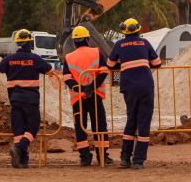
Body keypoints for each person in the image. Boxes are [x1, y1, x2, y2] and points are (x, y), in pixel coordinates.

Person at [0, 29, 57, 169]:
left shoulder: (9, 59)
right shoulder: (34, 58)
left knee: (18, 129)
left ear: (17, 43)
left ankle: (22, 160)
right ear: (29, 43)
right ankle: (19, 149)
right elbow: (49, 70)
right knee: (33, 127)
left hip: (15, 99)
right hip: (30, 99)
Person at [107, 18, 161, 170]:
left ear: (124, 30)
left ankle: (125, 158)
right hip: (146, 86)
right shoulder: (145, 43)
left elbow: (110, 65)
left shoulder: (119, 44)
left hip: (129, 87)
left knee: (131, 120)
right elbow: (157, 63)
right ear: (138, 29)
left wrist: (123, 64)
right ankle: (138, 160)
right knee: (144, 123)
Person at [63, 25, 112, 166]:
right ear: (87, 39)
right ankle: (102, 156)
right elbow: (103, 72)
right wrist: (91, 88)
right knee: (100, 126)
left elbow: (67, 78)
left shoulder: (69, 57)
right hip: (95, 96)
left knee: (80, 127)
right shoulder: (97, 53)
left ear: (74, 41)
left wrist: (81, 89)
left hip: (78, 98)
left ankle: (85, 157)